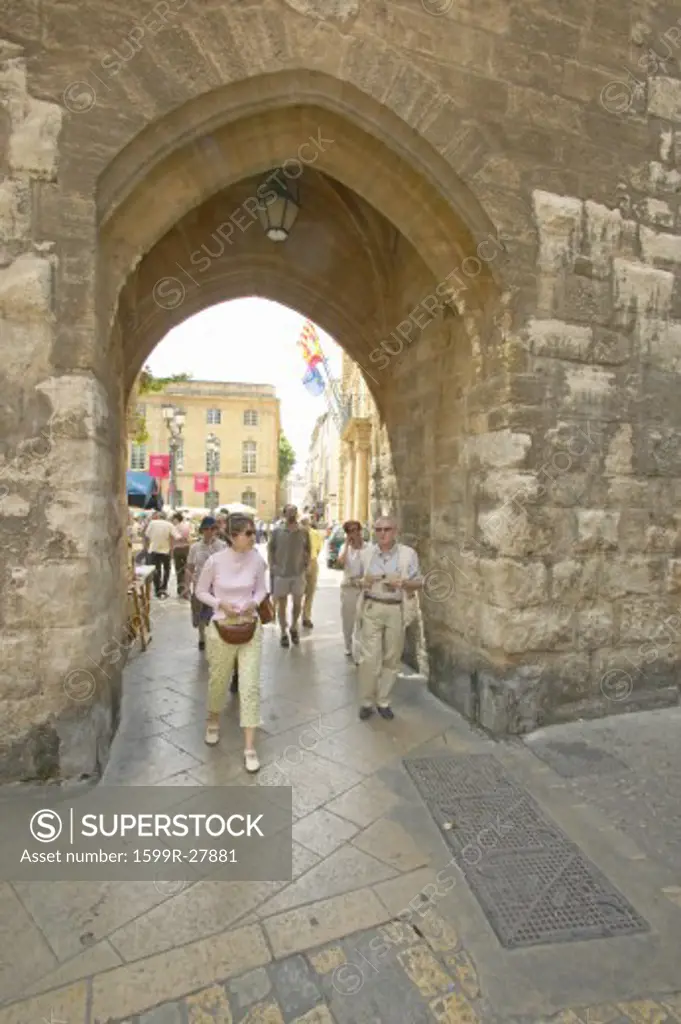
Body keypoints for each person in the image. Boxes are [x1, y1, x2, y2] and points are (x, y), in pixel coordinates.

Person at [196, 514, 267, 771]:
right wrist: (219, 603)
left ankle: (249, 747)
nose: (253, 537)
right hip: (221, 627)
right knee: (218, 680)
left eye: (253, 532)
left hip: (250, 627)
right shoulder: (215, 562)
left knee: (250, 686)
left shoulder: (257, 559)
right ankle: (213, 720)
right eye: (248, 533)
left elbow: (261, 589)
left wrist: (254, 603)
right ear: (233, 536)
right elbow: (200, 591)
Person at [355, 515, 422, 721]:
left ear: (395, 531)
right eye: (378, 530)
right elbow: (354, 579)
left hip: (395, 609)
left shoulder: (407, 554)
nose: (382, 534)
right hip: (372, 606)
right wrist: (363, 581)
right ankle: (367, 701)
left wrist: (403, 583)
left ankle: (383, 701)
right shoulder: (366, 553)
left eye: (387, 529)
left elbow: (419, 582)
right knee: (369, 658)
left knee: (392, 658)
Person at [268, 504, 310, 647]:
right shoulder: (277, 531)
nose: (291, 514)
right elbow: (271, 549)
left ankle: (293, 627)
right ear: (284, 514)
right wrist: (272, 566)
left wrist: (306, 565)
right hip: (281, 573)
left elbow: (308, 549)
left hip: (298, 573)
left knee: (298, 603)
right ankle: (284, 632)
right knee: (282, 604)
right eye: (289, 512)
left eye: (294, 512)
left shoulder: (303, 531)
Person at [185, 516, 226, 650]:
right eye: (206, 529)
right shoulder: (195, 547)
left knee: (216, 613)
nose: (209, 531)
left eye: (212, 528)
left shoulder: (222, 546)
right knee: (199, 613)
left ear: (216, 530)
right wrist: (186, 586)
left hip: (217, 586)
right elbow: (190, 567)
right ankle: (202, 637)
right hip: (200, 585)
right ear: (202, 530)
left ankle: (215, 637)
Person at [337, 520, 368, 658]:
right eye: (350, 531)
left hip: (363, 587)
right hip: (348, 587)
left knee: (362, 619)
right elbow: (340, 562)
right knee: (348, 618)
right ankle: (347, 644)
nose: (354, 533)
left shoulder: (368, 547)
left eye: (356, 529)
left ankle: (359, 648)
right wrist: (347, 545)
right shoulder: (345, 548)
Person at [300, 515, 323, 629]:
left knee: (310, 591)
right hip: (299, 564)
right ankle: (298, 615)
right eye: (303, 523)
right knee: (298, 592)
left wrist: (311, 560)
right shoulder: (296, 534)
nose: (305, 525)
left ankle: (306, 617)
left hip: (312, 562)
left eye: (306, 523)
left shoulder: (315, 534)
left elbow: (319, 549)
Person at [145, 510, 174, 598]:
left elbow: (147, 535)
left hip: (154, 550)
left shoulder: (152, 523)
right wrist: (171, 549)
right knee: (167, 570)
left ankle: (157, 589)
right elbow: (174, 537)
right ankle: (164, 588)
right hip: (165, 550)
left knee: (156, 570)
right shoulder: (169, 525)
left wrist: (147, 547)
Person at [171, 511, 192, 598]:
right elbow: (188, 537)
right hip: (186, 549)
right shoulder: (187, 526)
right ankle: (187, 589)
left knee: (179, 570)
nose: (172, 521)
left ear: (176, 519)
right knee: (186, 569)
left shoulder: (174, 527)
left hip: (178, 550)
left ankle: (181, 590)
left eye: (173, 519)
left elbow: (176, 538)